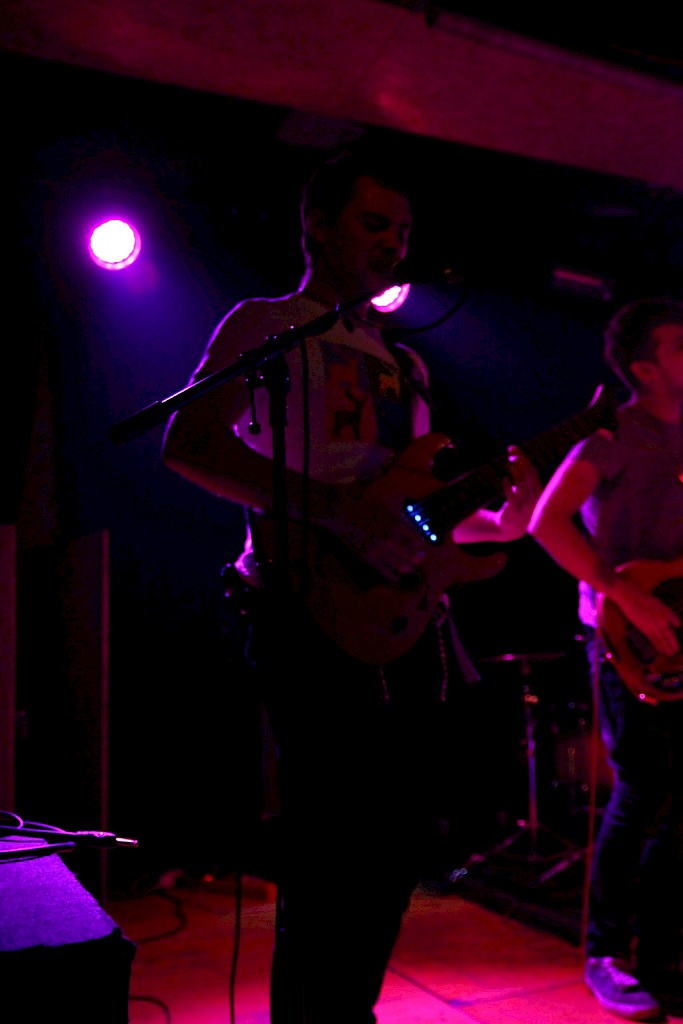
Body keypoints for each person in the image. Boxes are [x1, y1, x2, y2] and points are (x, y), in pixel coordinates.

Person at [161, 143, 541, 1024]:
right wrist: (335, 513)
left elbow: (409, 514)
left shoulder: (408, 365)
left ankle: (348, 1011)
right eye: (374, 223)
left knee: (397, 838)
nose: (393, 244)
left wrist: (500, 519)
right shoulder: (267, 324)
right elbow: (188, 445)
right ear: (318, 224)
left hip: (400, 620)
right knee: (330, 838)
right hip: (299, 601)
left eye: (402, 231)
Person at [528, 296, 683, 1021]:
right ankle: (606, 953)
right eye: (679, 346)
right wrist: (620, 591)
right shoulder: (613, 434)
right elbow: (546, 520)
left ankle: (662, 953)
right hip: (627, 638)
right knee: (642, 791)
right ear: (644, 368)